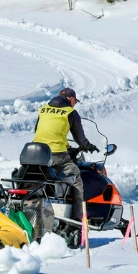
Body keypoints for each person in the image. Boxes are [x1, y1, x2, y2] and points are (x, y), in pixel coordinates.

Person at [32, 87, 97, 220]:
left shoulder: (43, 109)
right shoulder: (70, 112)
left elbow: (40, 131)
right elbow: (80, 139)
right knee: (76, 179)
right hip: (56, 154)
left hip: (36, 153)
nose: (75, 104)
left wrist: (66, 146)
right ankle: (78, 220)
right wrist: (88, 146)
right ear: (71, 99)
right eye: (75, 101)